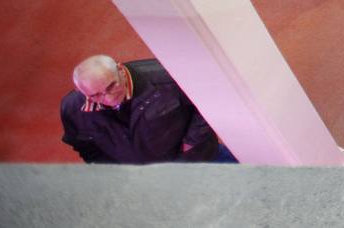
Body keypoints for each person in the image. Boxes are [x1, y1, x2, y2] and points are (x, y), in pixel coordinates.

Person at [60, 55, 227, 164]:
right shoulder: (72, 110)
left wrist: (192, 141)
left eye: (111, 86)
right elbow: (85, 146)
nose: (109, 98)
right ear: (80, 91)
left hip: (199, 160)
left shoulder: (168, 77)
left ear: (120, 70)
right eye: (96, 95)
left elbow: (209, 100)